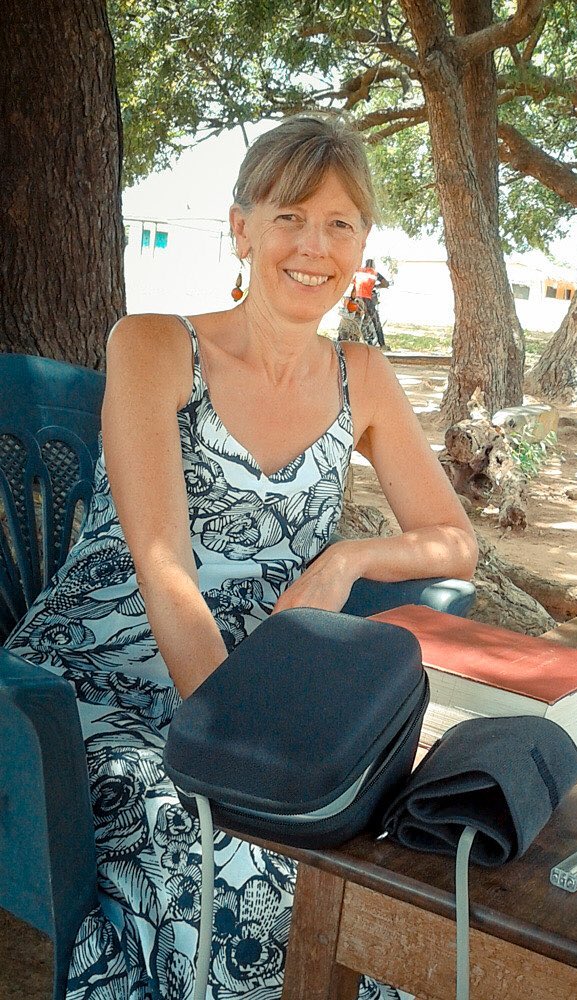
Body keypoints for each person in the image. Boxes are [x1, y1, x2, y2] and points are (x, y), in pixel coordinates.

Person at [3, 113, 478, 999]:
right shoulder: (153, 345)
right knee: (239, 865)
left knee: (386, 875)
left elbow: (456, 542)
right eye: (289, 216)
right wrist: (239, 751)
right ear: (241, 227)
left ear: (363, 243)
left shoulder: (362, 378)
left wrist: (344, 561)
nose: (313, 245)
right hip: (102, 676)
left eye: (340, 224)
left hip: (262, 678)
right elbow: (162, 566)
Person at [350, 258, 390, 348]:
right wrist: (376, 286)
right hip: (367, 300)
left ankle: (352, 342)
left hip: (356, 299)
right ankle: (382, 344)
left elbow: (354, 285)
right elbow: (386, 284)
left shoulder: (358, 271)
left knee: (354, 320)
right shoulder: (375, 273)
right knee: (376, 321)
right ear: (373, 266)